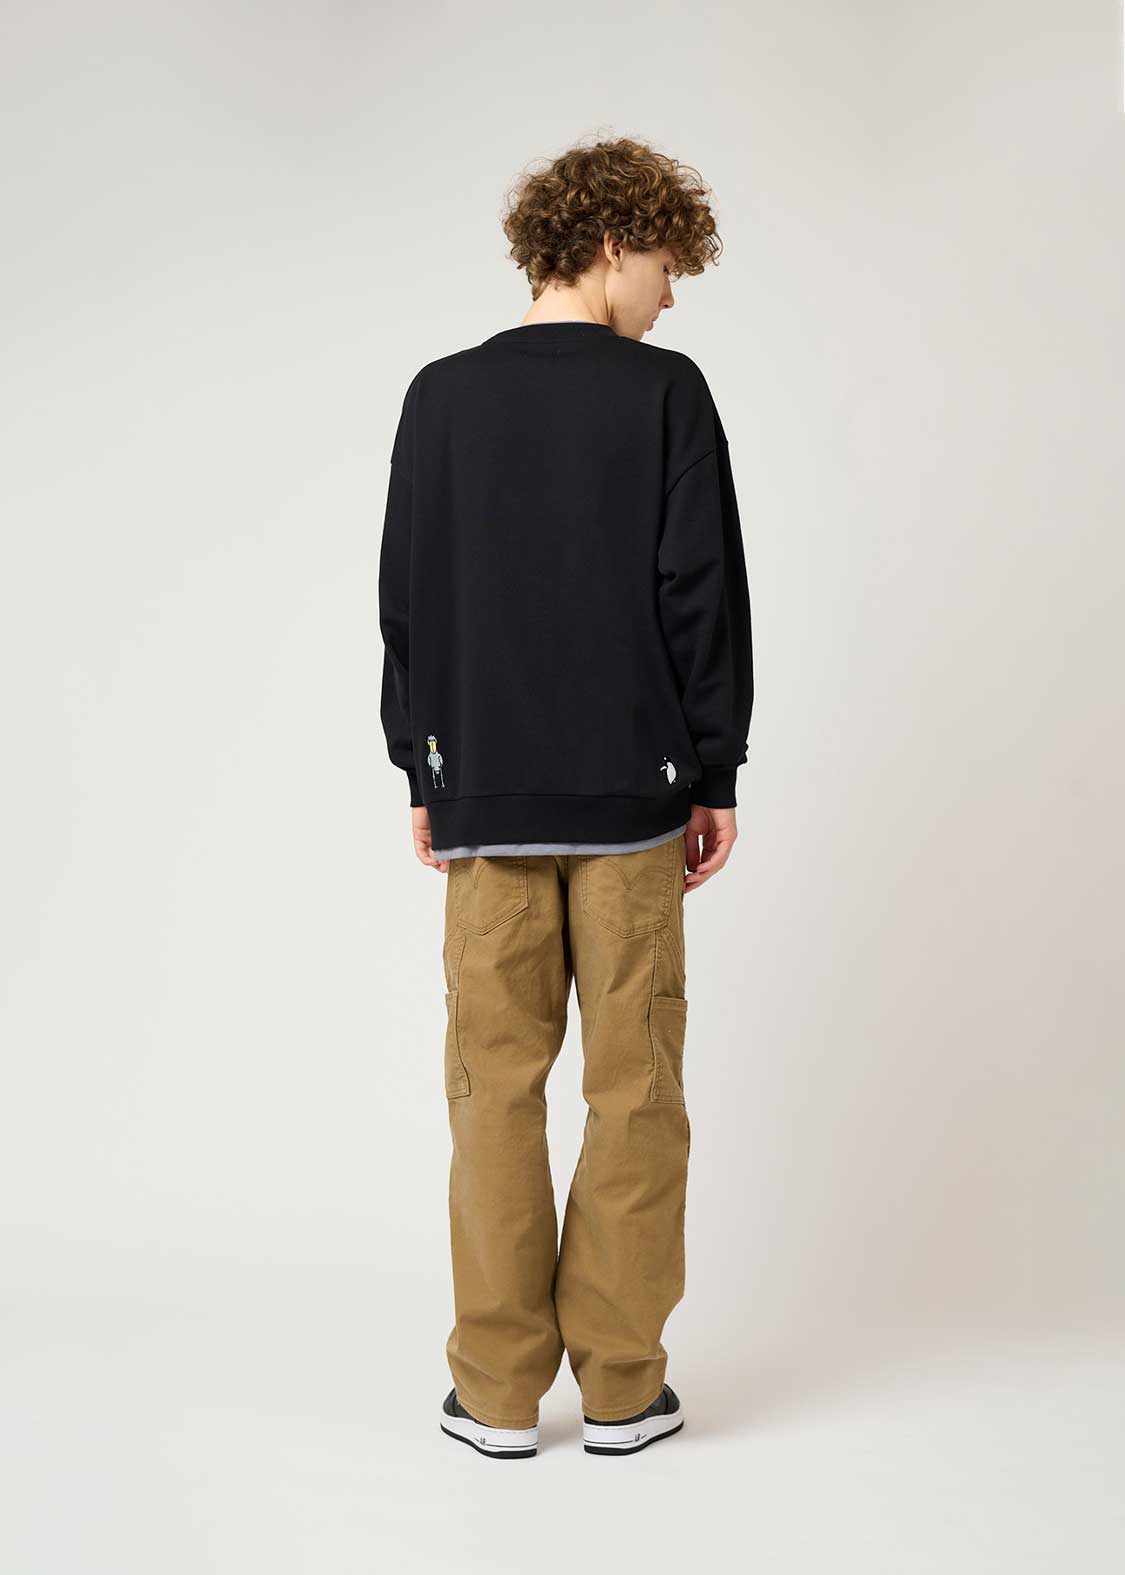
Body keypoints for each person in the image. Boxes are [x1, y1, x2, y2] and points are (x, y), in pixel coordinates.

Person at [378, 135, 754, 1459]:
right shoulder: (663, 394)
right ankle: (619, 1390)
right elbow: (699, 591)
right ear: (608, 246)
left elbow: (408, 595)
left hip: (482, 799)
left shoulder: (439, 396)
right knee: (634, 1089)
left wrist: (422, 766)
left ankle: (492, 1395)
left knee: (491, 1092)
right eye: (664, 265)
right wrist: (714, 769)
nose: (670, 293)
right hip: (633, 804)